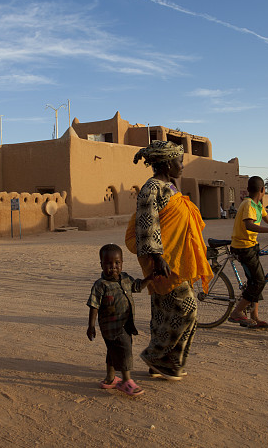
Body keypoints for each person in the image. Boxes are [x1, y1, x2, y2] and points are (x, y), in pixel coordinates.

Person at [125, 141, 212, 381]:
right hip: (164, 262)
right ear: (165, 163)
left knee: (162, 314)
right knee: (187, 310)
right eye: (179, 161)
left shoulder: (170, 187)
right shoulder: (152, 187)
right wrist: (157, 257)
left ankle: (166, 363)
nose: (182, 166)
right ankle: (157, 356)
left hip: (175, 259)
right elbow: (146, 223)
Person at [87, 244, 154, 396]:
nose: (113, 267)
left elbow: (137, 286)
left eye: (117, 263)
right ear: (101, 264)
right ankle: (126, 381)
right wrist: (91, 325)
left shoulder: (125, 278)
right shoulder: (100, 285)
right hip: (110, 326)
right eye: (108, 264)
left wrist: (149, 278)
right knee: (125, 349)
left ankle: (110, 378)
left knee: (113, 350)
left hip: (126, 323)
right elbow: (93, 305)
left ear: (122, 262)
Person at [227, 176, 268, 328]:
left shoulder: (257, 204)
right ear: (262, 190)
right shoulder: (248, 205)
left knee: (258, 280)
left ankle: (254, 316)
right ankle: (237, 312)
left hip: (251, 246)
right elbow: (249, 225)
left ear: (249, 189)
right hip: (243, 248)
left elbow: (267, 218)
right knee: (258, 281)